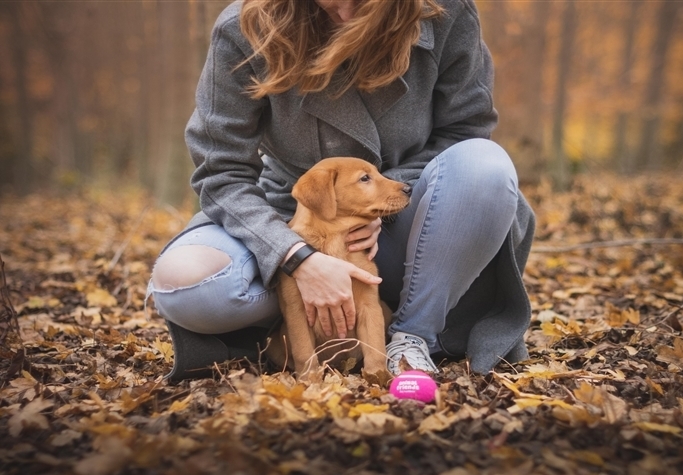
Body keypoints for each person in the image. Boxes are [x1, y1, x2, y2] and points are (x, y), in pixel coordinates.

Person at [148, 0, 536, 382]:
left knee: (485, 164)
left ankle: (412, 336)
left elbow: (465, 131)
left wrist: (379, 202)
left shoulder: (445, 12)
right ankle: (292, 332)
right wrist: (294, 255)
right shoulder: (245, 27)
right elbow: (221, 170)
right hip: (291, 214)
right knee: (185, 284)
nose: (347, 12)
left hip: (415, 218)